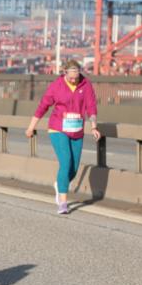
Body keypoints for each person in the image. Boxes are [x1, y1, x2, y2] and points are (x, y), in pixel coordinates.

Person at [25, 59, 99, 215]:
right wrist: (31, 127)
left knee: (73, 169)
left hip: (77, 130)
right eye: (71, 77)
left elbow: (91, 107)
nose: (74, 80)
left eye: (76, 77)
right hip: (58, 128)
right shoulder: (56, 86)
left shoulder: (86, 85)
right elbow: (43, 106)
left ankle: (59, 184)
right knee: (65, 162)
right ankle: (63, 203)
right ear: (64, 73)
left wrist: (93, 126)